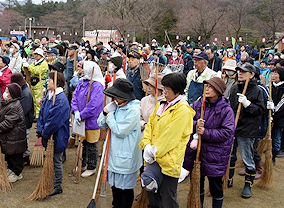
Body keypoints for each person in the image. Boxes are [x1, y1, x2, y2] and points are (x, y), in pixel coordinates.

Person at [139, 73, 195, 207]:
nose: (164, 92)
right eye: (164, 88)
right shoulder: (161, 105)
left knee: (167, 199)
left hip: (169, 161)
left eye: (167, 89)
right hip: (154, 157)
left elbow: (171, 137)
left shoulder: (183, 110)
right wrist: (146, 144)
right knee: (152, 194)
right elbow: (150, 125)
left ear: (177, 90)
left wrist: (154, 151)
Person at [183, 77, 235, 208]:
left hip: (215, 154)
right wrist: (196, 125)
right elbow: (186, 120)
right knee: (197, 183)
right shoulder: (198, 104)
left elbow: (227, 132)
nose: (207, 89)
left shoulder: (226, 109)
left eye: (211, 87)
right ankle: (197, 204)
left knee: (215, 185)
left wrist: (205, 132)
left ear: (218, 91)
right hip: (197, 152)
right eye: (206, 86)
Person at [97, 78, 142, 208]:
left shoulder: (133, 111)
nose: (115, 99)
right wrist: (105, 111)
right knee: (115, 187)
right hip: (113, 154)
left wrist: (109, 116)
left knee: (125, 189)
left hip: (126, 156)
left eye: (117, 96)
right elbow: (101, 124)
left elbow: (120, 131)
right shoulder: (115, 107)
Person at [228, 63, 265, 198]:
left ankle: (248, 185)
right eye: (239, 71)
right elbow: (229, 107)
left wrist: (247, 104)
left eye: (244, 72)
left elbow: (260, 111)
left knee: (247, 158)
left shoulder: (257, 91)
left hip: (248, 129)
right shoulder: (234, 88)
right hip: (233, 127)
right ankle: (229, 179)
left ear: (252, 74)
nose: (240, 73)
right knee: (231, 156)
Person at [37, 72, 70, 196]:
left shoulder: (60, 99)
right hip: (48, 134)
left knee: (57, 160)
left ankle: (58, 185)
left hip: (58, 135)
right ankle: (51, 179)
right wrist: (40, 128)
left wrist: (44, 132)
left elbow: (54, 121)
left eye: (50, 80)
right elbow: (42, 112)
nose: (47, 82)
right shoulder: (50, 95)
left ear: (56, 83)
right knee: (50, 157)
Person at [71, 61, 104, 177]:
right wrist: (75, 111)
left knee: (91, 144)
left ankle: (91, 166)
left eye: (82, 68)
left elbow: (94, 105)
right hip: (80, 119)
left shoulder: (97, 85)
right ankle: (82, 163)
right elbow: (74, 96)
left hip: (91, 120)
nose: (80, 70)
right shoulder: (82, 82)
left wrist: (83, 114)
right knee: (82, 142)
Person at [0, 83, 27, 183]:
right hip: (10, 137)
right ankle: (11, 169)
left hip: (15, 137)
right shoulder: (10, 104)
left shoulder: (14, 107)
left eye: (7, 92)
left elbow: (8, 123)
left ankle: (17, 173)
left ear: (12, 94)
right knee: (10, 155)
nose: (5, 93)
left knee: (15, 157)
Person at [10, 72, 34, 165]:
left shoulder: (26, 94)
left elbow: (22, 110)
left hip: (25, 122)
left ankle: (25, 158)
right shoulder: (24, 91)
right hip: (22, 121)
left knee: (24, 140)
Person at [23, 48, 48, 120]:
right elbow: (30, 69)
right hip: (34, 83)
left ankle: (39, 116)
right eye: (35, 54)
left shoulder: (43, 63)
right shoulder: (35, 62)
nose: (35, 56)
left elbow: (36, 71)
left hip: (40, 83)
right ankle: (35, 114)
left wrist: (29, 67)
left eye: (37, 54)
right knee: (33, 100)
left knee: (38, 101)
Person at [267, 67, 284, 165]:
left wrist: (274, 114)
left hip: (279, 119)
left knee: (276, 139)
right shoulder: (269, 86)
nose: (273, 75)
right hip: (269, 117)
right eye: (272, 73)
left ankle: (273, 156)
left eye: (275, 73)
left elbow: (282, 105)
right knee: (268, 136)